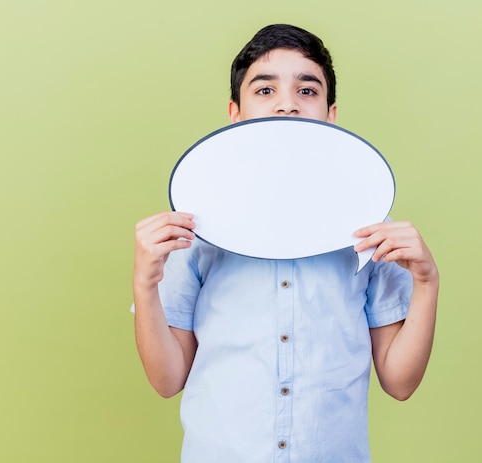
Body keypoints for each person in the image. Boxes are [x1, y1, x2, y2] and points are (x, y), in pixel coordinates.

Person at [133, 24, 439, 463]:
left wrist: (427, 282)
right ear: (234, 113)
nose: (287, 104)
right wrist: (144, 286)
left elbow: (400, 381)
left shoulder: (370, 228)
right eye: (264, 89)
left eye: (307, 90)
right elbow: (167, 379)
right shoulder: (195, 226)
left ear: (331, 116)